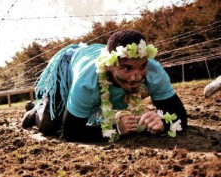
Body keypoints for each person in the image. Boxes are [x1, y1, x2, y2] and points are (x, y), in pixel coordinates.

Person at [22, 29, 188, 142]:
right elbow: (71, 132)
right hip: (70, 65)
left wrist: (164, 122)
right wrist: (116, 129)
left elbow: (180, 114)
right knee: (50, 126)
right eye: (127, 68)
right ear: (109, 66)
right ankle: (37, 109)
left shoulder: (153, 71)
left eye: (142, 66)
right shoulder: (87, 83)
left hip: (96, 61)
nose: (136, 77)